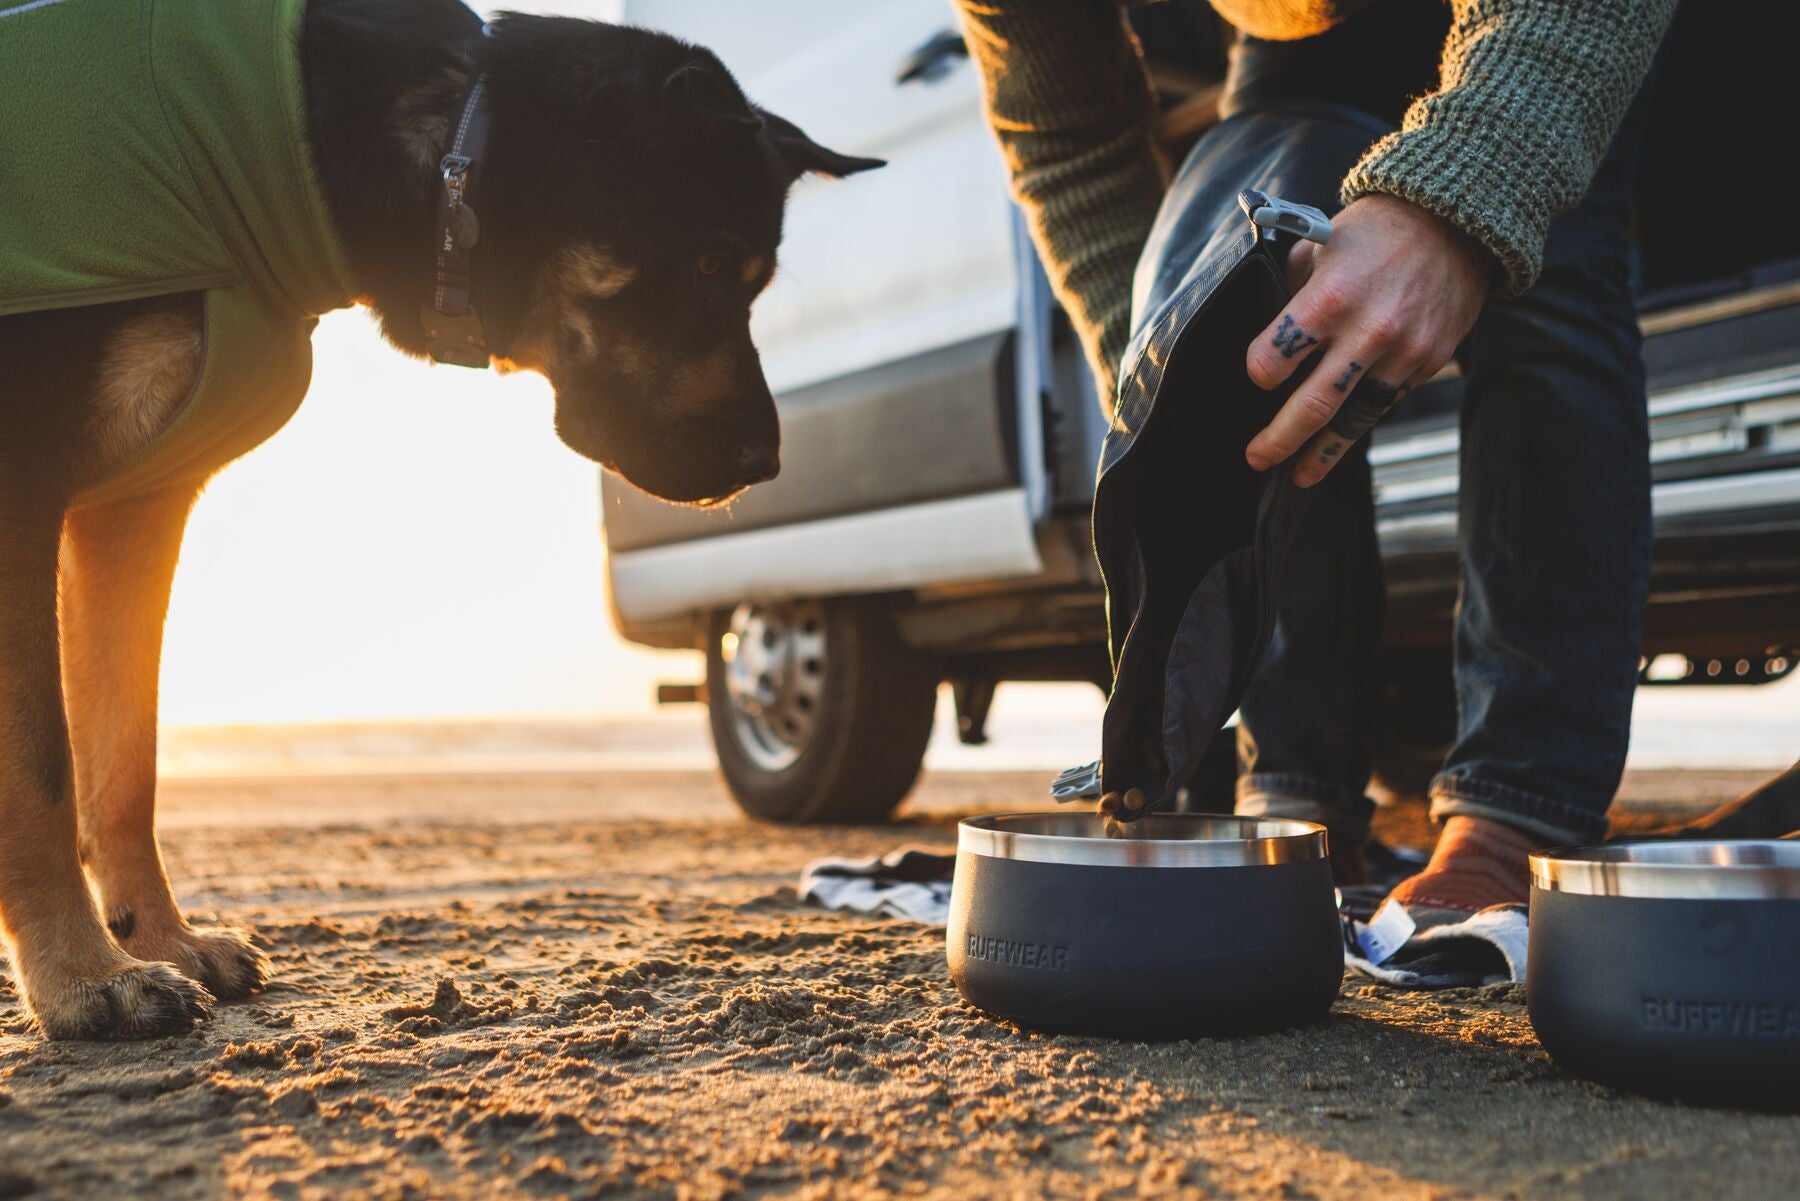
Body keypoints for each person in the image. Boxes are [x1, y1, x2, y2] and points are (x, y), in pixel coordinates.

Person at [953, 0, 1679, 922]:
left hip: (1554, 18)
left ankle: (1515, 814)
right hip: (1299, 33)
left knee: (1551, 267)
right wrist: (1168, 374)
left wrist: (1463, 206)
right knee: (1262, 327)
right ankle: (1298, 794)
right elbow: (1069, 147)